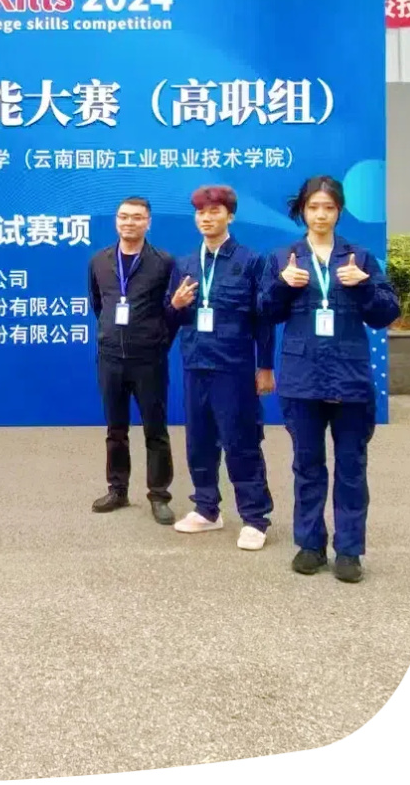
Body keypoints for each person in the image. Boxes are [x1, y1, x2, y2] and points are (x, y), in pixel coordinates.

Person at [259, 175, 400, 583]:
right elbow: (265, 311)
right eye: (313, 207)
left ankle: (349, 550)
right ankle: (310, 544)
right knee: (307, 465)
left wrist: (364, 287)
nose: (320, 215)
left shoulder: (360, 258)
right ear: (302, 211)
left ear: (339, 211)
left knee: (352, 467)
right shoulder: (284, 257)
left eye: (329, 208)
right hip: (302, 379)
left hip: (350, 379)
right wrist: (283, 286)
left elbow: (386, 313)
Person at [167, 185, 276, 550]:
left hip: (234, 368)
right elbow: (170, 318)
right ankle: (206, 508)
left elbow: (263, 319)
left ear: (230, 216)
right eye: (201, 212)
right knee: (199, 440)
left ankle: (255, 518)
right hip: (195, 364)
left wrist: (265, 367)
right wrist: (175, 305)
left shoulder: (251, 261)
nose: (206, 218)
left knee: (241, 441)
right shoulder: (184, 264)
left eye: (214, 211)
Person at [87, 196, 177, 524]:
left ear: (148, 222)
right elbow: (99, 304)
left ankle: (159, 495)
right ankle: (118, 489)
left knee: (156, 429)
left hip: (148, 359)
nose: (129, 222)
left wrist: (157, 341)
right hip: (111, 358)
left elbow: (171, 310)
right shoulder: (100, 261)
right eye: (124, 216)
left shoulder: (163, 262)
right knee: (115, 429)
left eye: (137, 217)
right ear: (116, 221)